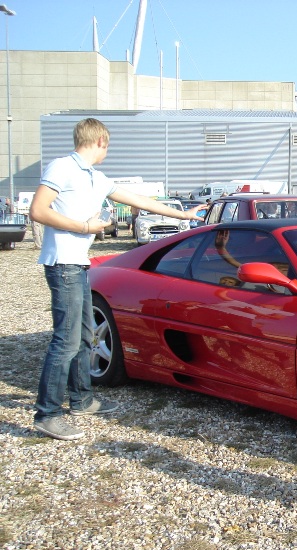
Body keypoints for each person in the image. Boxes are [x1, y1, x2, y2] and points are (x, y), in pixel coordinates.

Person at [29, 118, 207, 441]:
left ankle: (81, 399)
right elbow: (37, 210)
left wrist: (184, 215)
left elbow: (139, 201)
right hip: (63, 265)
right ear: (99, 140)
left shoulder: (96, 178)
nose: (107, 150)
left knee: (84, 336)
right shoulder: (62, 168)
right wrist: (83, 227)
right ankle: (47, 413)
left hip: (79, 265)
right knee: (65, 340)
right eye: (107, 144)